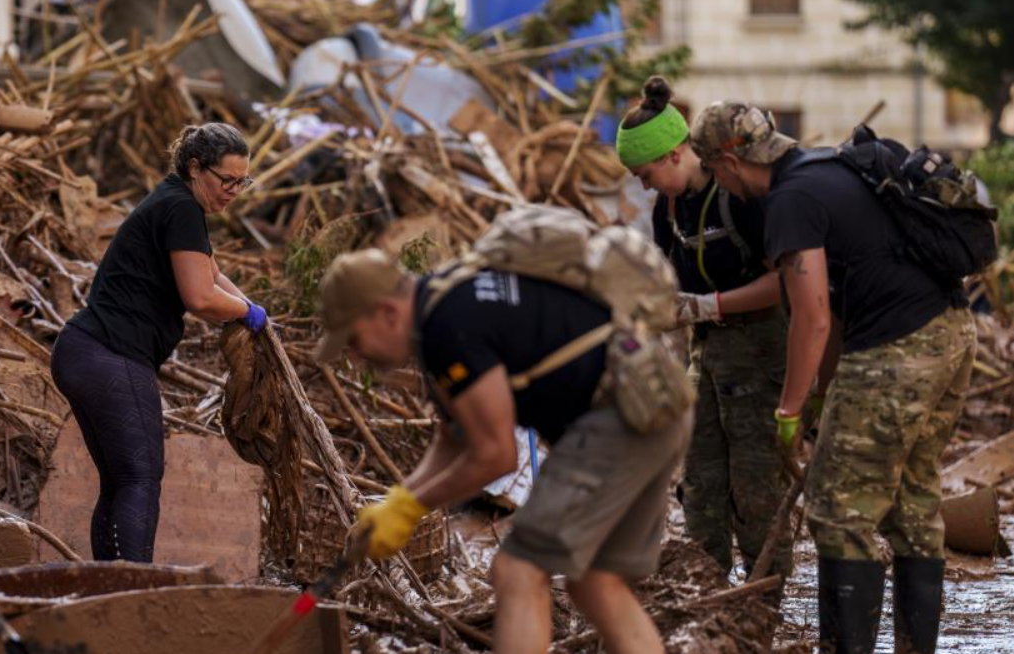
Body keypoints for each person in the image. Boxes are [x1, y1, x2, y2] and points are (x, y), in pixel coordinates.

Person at [690, 101, 973, 654]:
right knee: (913, 502)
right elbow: (841, 307)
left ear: (727, 161)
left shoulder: (789, 201)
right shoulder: (830, 169)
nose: (715, 182)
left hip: (895, 349)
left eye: (711, 169)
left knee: (838, 510)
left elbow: (812, 316)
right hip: (952, 334)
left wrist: (789, 410)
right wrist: (821, 394)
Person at [322, 247, 691, 654]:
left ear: (385, 312)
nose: (357, 354)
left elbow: (496, 455)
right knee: (594, 582)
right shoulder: (442, 304)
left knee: (518, 570)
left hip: (617, 419)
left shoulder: (446, 326)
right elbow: (454, 438)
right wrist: (400, 498)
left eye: (354, 339)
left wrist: (411, 507)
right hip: (651, 409)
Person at [50, 122, 267, 563]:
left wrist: (253, 307)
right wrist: (245, 313)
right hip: (109, 355)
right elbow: (201, 297)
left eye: (242, 182)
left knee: (121, 479)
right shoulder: (181, 207)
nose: (233, 191)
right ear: (194, 168)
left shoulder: (177, 203)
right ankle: (132, 590)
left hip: (85, 352)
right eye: (226, 180)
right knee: (141, 476)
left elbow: (212, 274)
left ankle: (110, 585)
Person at [614, 77, 793, 584]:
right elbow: (665, 278)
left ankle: (763, 603)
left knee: (755, 485)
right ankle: (707, 596)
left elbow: (786, 283)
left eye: (647, 175)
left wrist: (707, 304)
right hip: (706, 355)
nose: (646, 188)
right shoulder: (666, 210)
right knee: (701, 483)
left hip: (761, 352)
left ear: (674, 154)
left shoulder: (738, 193)